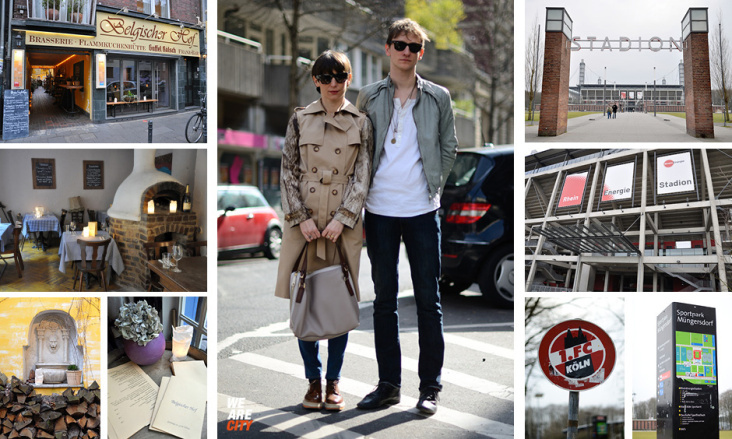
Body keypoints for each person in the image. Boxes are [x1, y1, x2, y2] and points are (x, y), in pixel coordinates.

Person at [355, 18, 458, 415]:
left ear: (421, 53)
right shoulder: (368, 96)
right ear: (387, 49)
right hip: (378, 212)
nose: (406, 52)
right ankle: (388, 386)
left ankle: (430, 387)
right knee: (384, 302)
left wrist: (432, 187)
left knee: (429, 302)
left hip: (421, 212)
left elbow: (449, 146)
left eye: (414, 47)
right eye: (400, 44)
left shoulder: (438, 97)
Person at [274, 50, 373, 411]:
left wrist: (342, 218)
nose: (334, 84)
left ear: (349, 79)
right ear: (315, 80)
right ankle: (312, 383)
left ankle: (334, 384)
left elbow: (363, 174)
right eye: (326, 77)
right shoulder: (299, 119)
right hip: (305, 225)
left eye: (340, 77)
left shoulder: (361, 122)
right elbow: (286, 171)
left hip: (341, 227)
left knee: (339, 304)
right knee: (305, 303)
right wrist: (300, 217)